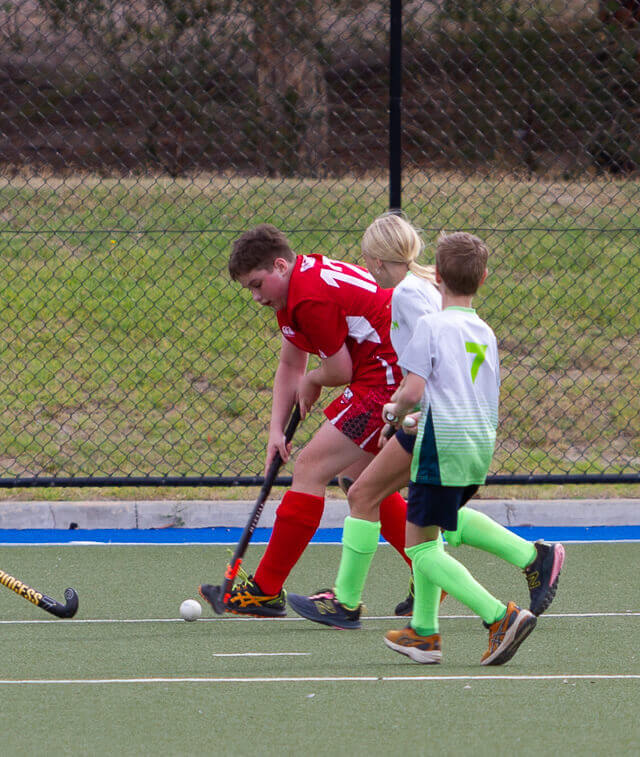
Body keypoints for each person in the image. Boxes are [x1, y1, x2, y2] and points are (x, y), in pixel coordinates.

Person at [289, 214, 564, 629]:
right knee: (424, 516)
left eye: (365, 260)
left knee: (366, 496)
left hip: (438, 422)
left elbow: (429, 365)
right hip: (455, 419)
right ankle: (433, 621)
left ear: (376, 261)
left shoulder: (406, 294)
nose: (365, 268)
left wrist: (400, 413)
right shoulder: (427, 290)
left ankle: (348, 603)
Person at [199, 223, 412, 616]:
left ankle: (265, 590)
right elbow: (290, 363)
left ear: (280, 266)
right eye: (249, 289)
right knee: (361, 482)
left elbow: (339, 370)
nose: (256, 297)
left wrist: (314, 380)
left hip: (387, 378)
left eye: (258, 284)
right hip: (382, 372)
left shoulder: (309, 297)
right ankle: (429, 571)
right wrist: (275, 432)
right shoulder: (295, 287)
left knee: (310, 468)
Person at [381, 232, 536, 665]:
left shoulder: (431, 325)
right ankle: (423, 633)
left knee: (420, 548)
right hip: (477, 444)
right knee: (431, 536)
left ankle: (499, 616)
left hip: (441, 446)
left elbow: (413, 391)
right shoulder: (484, 331)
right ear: (483, 278)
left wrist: (393, 413)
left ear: (436, 275)